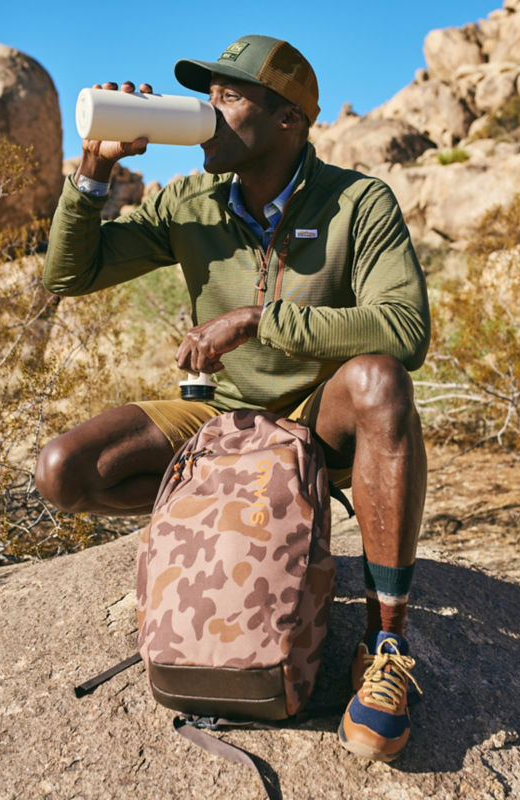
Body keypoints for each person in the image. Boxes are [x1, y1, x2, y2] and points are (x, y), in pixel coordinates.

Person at [36, 35, 430, 762]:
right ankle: (219, 526)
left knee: (379, 380)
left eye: (228, 96)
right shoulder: (191, 200)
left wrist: (257, 320)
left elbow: (404, 330)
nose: (206, 111)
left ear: (288, 119)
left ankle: (385, 643)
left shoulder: (357, 202)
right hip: (222, 418)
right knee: (63, 470)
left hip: (320, 419)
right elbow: (71, 274)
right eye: (206, 95)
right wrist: (93, 173)